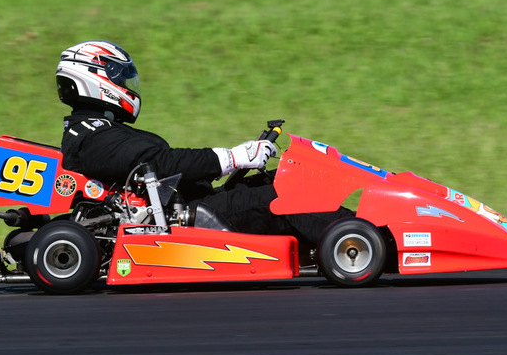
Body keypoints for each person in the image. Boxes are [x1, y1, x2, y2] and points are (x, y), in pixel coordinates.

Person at [57, 40, 353, 247]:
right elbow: (159, 164)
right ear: (95, 78)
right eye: (120, 78)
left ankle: (357, 231)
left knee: (284, 178)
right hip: (189, 218)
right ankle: (360, 241)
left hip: (196, 206)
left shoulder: (96, 131)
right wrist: (233, 157)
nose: (127, 86)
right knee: (284, 195)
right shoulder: (93, 136)